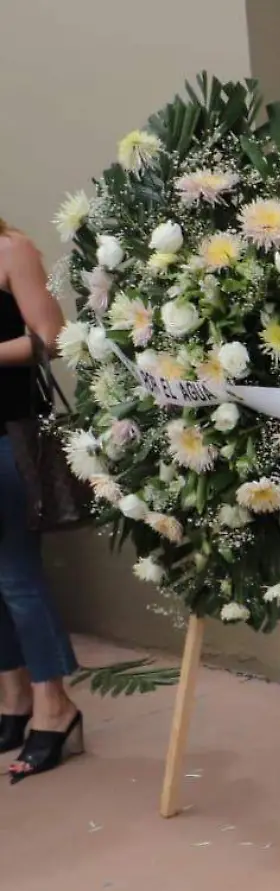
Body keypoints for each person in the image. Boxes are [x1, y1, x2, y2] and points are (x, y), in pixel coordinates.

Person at [0, 218, 85, 782]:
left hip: (7, 437)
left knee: (16, 577)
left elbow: (51, 336)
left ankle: (56, 706)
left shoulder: (11, 249)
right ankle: (14, 701)